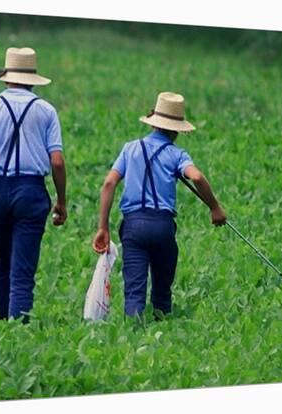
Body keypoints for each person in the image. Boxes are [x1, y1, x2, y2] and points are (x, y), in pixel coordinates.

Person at [92, 91, 226, 319]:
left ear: (154, 122)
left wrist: (102, 227)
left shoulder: (130, 148)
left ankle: (133, 335)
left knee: (134, 290)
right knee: (162, 290)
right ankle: (161, 327)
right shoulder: (176, 154)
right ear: (176, 129)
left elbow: (108, 184)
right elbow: (197, 177)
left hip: (133, 226)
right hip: (162, 226)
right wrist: (214, 207)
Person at [0, 47, 67, 323]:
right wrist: (61, 201)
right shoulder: (46, 111)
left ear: (7, 77)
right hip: (32, 192)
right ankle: (18, 333)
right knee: (22, 271)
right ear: (32, 79)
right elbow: (56, 161)